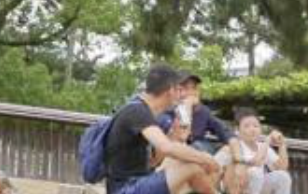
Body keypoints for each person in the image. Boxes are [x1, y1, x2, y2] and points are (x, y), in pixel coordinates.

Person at [103, 64, 221, 194]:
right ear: (171, 90)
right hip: (126, 189)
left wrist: (173, 136)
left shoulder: (144, 110)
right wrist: (206, 159)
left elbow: (154, 162)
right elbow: (167, 147)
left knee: (185, 164)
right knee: (192, 167)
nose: (180, 95)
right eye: (178, 89)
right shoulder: (137, 111)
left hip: (140, 181)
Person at [214, 109, 291, 194]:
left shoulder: (262, 146)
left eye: (255, 126)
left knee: (283, 176)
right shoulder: (232, 147)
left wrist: (282, 144)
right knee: (255, 172)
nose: (252, 129)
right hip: (234, 189)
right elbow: (256, 161)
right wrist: (268, 141)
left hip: (255, 188)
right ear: (237, 130)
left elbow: (282, 167)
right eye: (247, 126)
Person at [158, 75, 236, 155]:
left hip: (200, 155)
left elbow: (222, 129)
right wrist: (187, 106)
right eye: (186, 88)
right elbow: (182, 137)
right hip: (174, 157)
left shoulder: (203, 111)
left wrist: (233, 142)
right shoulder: (166, 114)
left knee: (229, 149)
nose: (192, 92)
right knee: (197, 146)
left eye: (194, 88)